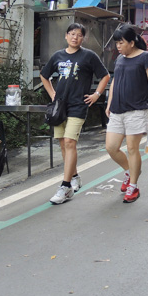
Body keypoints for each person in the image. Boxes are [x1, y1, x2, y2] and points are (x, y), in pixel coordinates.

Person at [40, 23, 110, 205]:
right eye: (72, 34)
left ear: (83, 38)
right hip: (59, 106)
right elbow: (44, 75)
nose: (75, 37)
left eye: (79, 35)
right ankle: (75, 176)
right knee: (63, 144)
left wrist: (96, 94)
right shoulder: (58, 56)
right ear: (66, 36)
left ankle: (65, 187)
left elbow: (105, 76)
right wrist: (52, 93)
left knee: (70, 142)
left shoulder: (88, 56)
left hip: (78, 105)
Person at [105, 25, 148, 203]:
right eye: (116, 43)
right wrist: (109, 103)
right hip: (117, 110)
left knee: (132, 148)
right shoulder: (120, 59)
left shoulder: (145, 57)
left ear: (131, 42)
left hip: (137, 110)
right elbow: (114, 81)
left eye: (121, 42)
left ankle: (134, 186)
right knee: (111, 147)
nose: (118, 46)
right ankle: (130, 171)